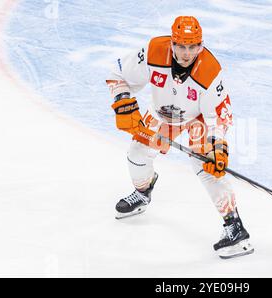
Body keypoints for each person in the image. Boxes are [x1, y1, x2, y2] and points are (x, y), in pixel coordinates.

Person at [106, 16, 253, 259]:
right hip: (163, 115)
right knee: (137, 154)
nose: (186, 53)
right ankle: (143, 192)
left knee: (207, 168)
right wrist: (122, 102)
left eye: (192, 46)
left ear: (201, 45)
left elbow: (219, 117)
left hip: (199, 119)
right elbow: (117, 74)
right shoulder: (153, 51)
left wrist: (217, 147)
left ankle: (235, 229)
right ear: (173, 43)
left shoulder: (209, 70)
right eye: (181, 46)